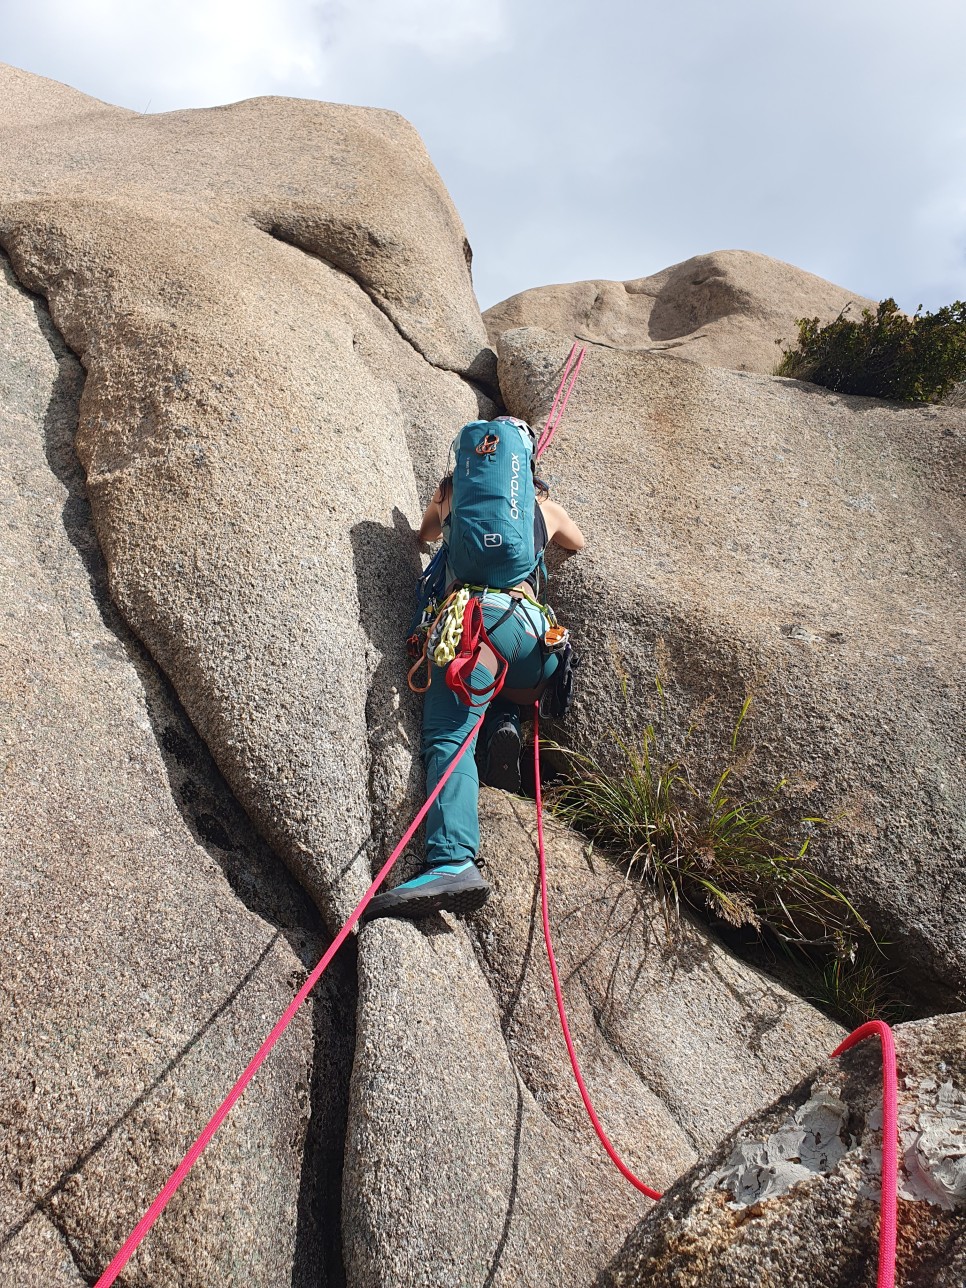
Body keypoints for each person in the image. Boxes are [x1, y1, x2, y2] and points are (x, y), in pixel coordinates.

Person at [363, 416, 586, 922]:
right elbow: (577, 542)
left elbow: (423, 534)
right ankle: (504, 724)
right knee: (496, 690)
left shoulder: (451, 497)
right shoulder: (541, 506)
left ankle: (452, 861)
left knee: (447, 733)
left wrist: (443, 510)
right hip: (533, 647)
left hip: (476, 628)